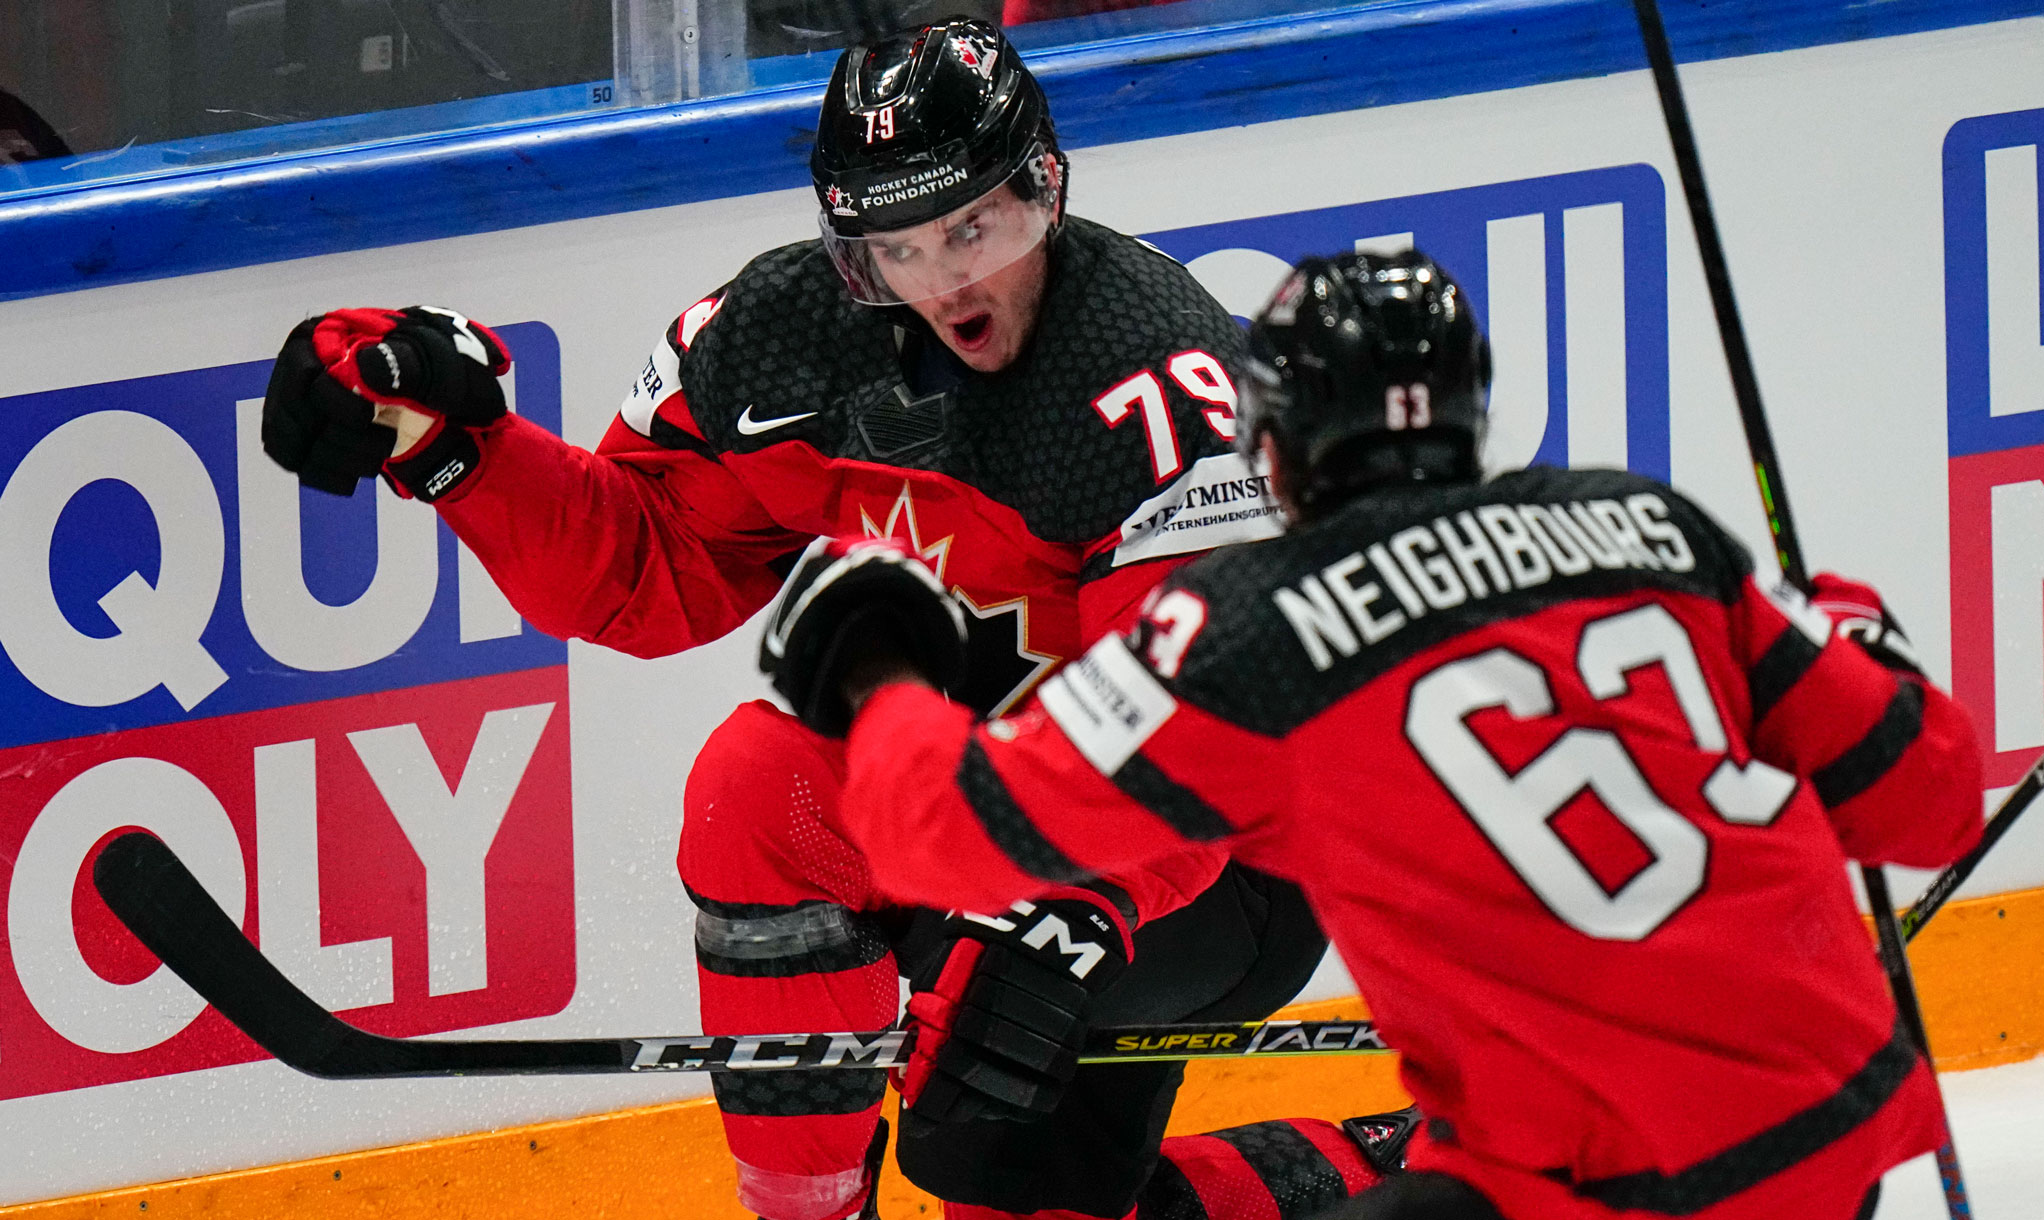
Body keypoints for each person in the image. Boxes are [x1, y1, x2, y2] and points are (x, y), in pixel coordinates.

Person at [256, 20, 1399, 1220]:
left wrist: (1065, 918)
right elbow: (646, 574)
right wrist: (458, 451)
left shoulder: (1156, 380)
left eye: (977, 227)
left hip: (1213, 869)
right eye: (899, 246)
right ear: (848, 252)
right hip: (982, 818)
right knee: (761, 783)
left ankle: (1375, 1160)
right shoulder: (771, 341)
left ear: (1046, 191)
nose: (948, 281)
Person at [769, 250, 1988, 1220]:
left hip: (1605, 1183)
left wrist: (877, 666)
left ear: (1276, 447)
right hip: (1836, 1118)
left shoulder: (1252, 628)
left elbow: (949, 833)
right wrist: (1849, 619)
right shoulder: (1654, 528)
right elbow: (1930, 802)